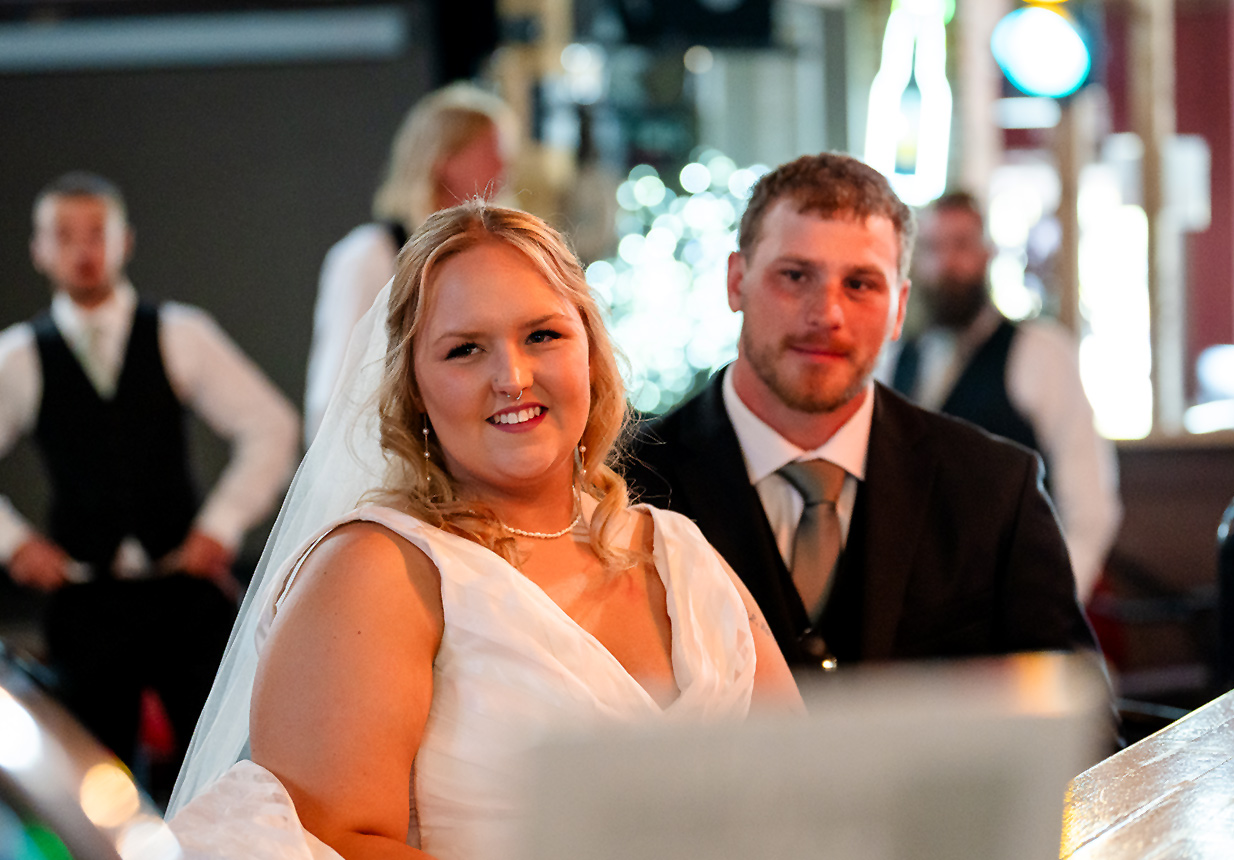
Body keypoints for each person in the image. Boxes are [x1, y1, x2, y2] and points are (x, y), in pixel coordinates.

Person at [167, 201, 801, 860]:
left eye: (542, 336)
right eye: (464, 350)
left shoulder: (679, 555)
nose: (511, 377)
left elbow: (810, 788)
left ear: (589, 349)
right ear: (414, 389)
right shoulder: (372, 572)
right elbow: (332, 843)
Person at [626, 153, 1099, 672]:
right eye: (795, 275)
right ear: (736, 281)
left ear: (898, 307)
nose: (826, 314)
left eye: (859, 284)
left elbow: (1082, 730)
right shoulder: (628, 485)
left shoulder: (994, 489)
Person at [0, 172, 299, 786]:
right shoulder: (20, 355)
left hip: (181, 593)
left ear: (125, 242)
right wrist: (13, 543)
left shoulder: (178, 333)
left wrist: (220, 526)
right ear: (39, 250)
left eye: (97, 234)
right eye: (64, 235)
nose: (83, 250)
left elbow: (270, 426)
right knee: (93, 780)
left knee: (221, 770)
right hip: (86, 599)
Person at [884, 191, 1121, 601]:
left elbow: (1089, 505)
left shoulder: (1040, 352)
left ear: (987, 254)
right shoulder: (893, 360)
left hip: (1016, 590)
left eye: (961, 246)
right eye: (933, 248)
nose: (947, 265)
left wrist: (1053, 604)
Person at [304, 82, 513, 442]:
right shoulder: (370, 254)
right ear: (445, 158)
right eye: (488, 150)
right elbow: (331, 392)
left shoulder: (497, 258)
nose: (503, 165)